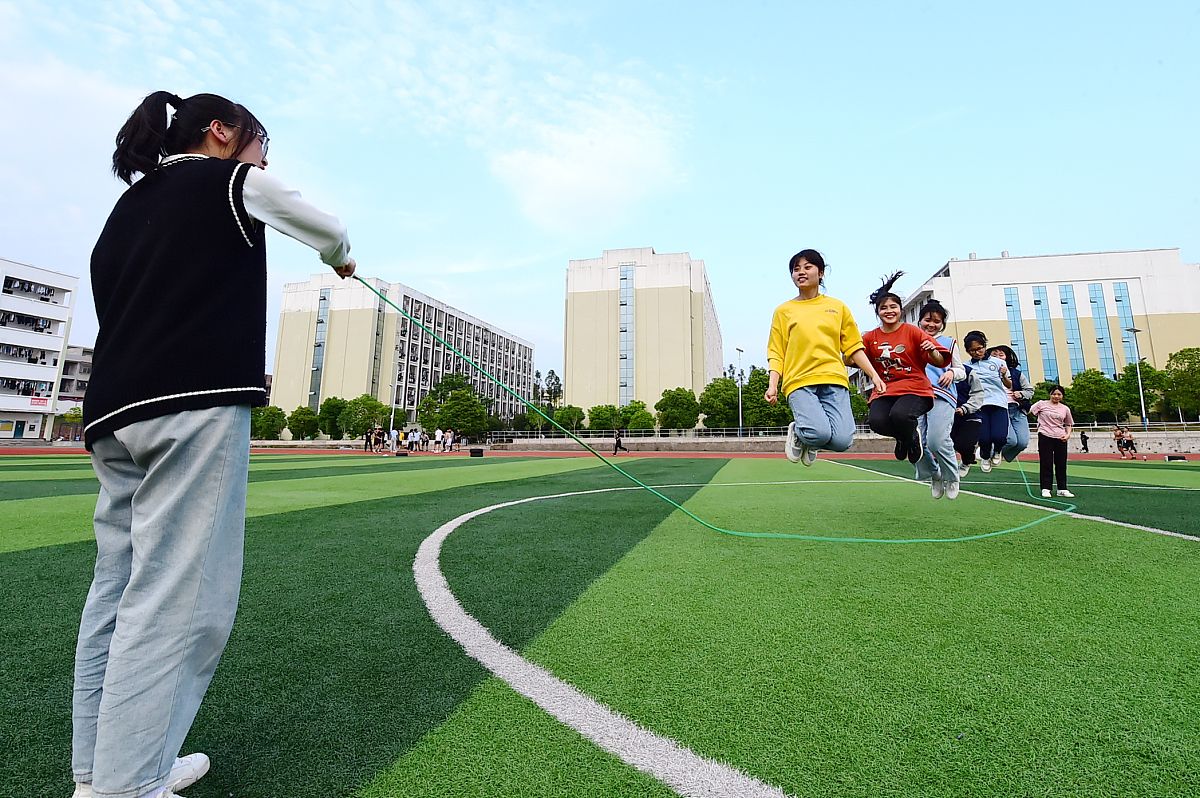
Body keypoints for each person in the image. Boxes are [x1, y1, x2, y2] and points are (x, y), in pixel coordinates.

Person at [74, 91, 354, 798]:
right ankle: (127, 786)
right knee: (179, 601)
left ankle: (100, 775)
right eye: (262, 144)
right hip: (191, 407)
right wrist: (341, 260)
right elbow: (327, 227)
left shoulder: (125, 210)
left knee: (116, 592)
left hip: (112, 413)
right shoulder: (229, 178)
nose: (264, 159)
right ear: (223, 133)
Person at [765, 249, 885, 466]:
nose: (800, 272)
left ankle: (808, 440)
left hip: (834, 379)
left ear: (820, 273)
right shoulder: (784, 311)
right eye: (796, 269)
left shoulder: (837, 307)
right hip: (799, 381)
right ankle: (802, 434)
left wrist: (874, 376)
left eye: (807, 267)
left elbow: (853, 347)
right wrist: (773, 385)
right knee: (818, 433)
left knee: (842, 441)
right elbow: (776, 352)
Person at [861, 272, 948, 467]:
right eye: (883, 308)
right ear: (877, 312)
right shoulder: (870, 337)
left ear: (900, 309)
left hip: (914, 388)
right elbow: (854, 360)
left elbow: (940, 360)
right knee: (876, 422)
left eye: (893, 307)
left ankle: (909, 434)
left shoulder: (912, 331)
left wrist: (932, 350)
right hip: (885, 389)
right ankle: (905, 437)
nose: (889, 311)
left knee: (900, 415)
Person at [913, 299, 964, 499]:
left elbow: (961, 370)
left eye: (937, 321)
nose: (931, 325)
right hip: (915, 395)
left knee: (936, 440)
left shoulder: (949, 343)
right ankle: (934, 474)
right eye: (927, 320)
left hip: (941, 394)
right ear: (920, 321)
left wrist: (951, 372)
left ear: (942, 324)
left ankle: (952, 477)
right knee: (916, 443)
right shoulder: (911, 340)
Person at [962, 331, 1011, 473]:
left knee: (1000, 436)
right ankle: (984, 456)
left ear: (984, 346)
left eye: (979, 348)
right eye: (972, 350)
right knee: (984, 438)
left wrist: (1003, 375)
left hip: (998, 403)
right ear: (968, 351)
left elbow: (1009, 385)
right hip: (979, 405)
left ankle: (997, 451)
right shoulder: (966, 366)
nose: (977, 352)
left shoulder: (999, 363)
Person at [990, 345, 1033, 465]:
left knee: (1022, 442)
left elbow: (1030, 391)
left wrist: (1021, 394)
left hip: (1018, 409)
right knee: (1011, 440)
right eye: (994, 354)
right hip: (1000, 409)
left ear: (1007, 357)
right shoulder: (986, 373)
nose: (998, 357)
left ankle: (997, 456)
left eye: (1001, 354)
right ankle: (988, 452)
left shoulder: (1017, 374)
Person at [1030, 385, 1075, 498]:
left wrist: (1068, 434)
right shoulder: (1041, 404)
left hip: (1060, 437)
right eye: (1054, 394)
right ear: (1050, 394)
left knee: (1061, 463)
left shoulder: (1065, 409)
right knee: (1046, 462)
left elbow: (1068, 424)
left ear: (1062, 396)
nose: (1056, 396)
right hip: (1045, 435)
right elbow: (1029, 411)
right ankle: (1046, 488)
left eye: (1059, 394)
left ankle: (1062, 488)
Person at [951, 362, 986, 477]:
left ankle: (967, 460)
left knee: (963, 445)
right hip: (947, 416)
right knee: (949, 445)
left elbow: (978, 393)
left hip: (970, 415)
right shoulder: (934, 370)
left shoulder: (968, 372)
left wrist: (966, 408)